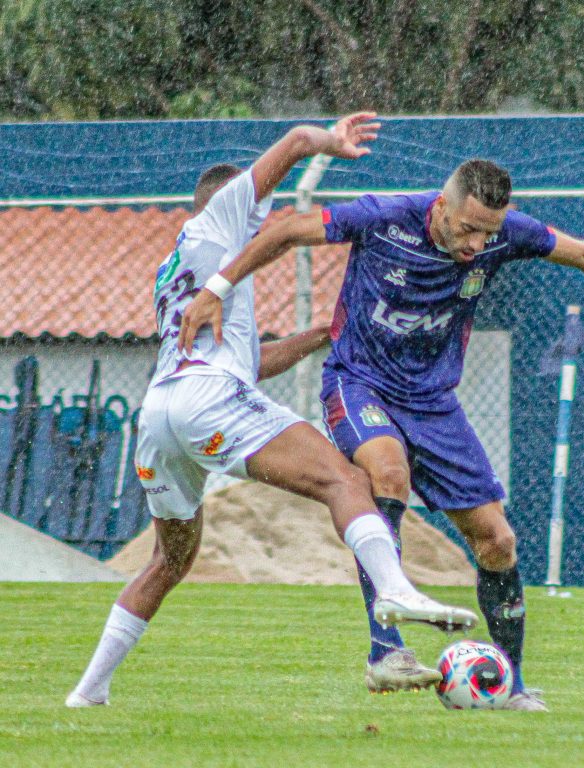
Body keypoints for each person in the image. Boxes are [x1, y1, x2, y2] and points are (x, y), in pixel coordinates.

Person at [178, 157, 584, 712]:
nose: (476, 244)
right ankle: (386, 652)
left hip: (434, 403)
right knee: (387, 473)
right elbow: (288, 230)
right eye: (467, 228)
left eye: (488, 232)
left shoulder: (502, 236)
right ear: (441, 207)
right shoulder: (384, 218)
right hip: (359, 383)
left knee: (497, 541)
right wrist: (219, 288)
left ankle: (507, 682)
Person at [65, 115, 479, 708]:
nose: (262, 206)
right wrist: (329, 143)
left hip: (161, 414)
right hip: (208, 400)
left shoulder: (180, 267)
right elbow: (295, 143)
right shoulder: (224, 217)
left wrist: (319, 335)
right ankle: (396, 591)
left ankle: (89, 691)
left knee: (168, 561)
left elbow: (250, 364)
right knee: (349, 479)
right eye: (256, 198)